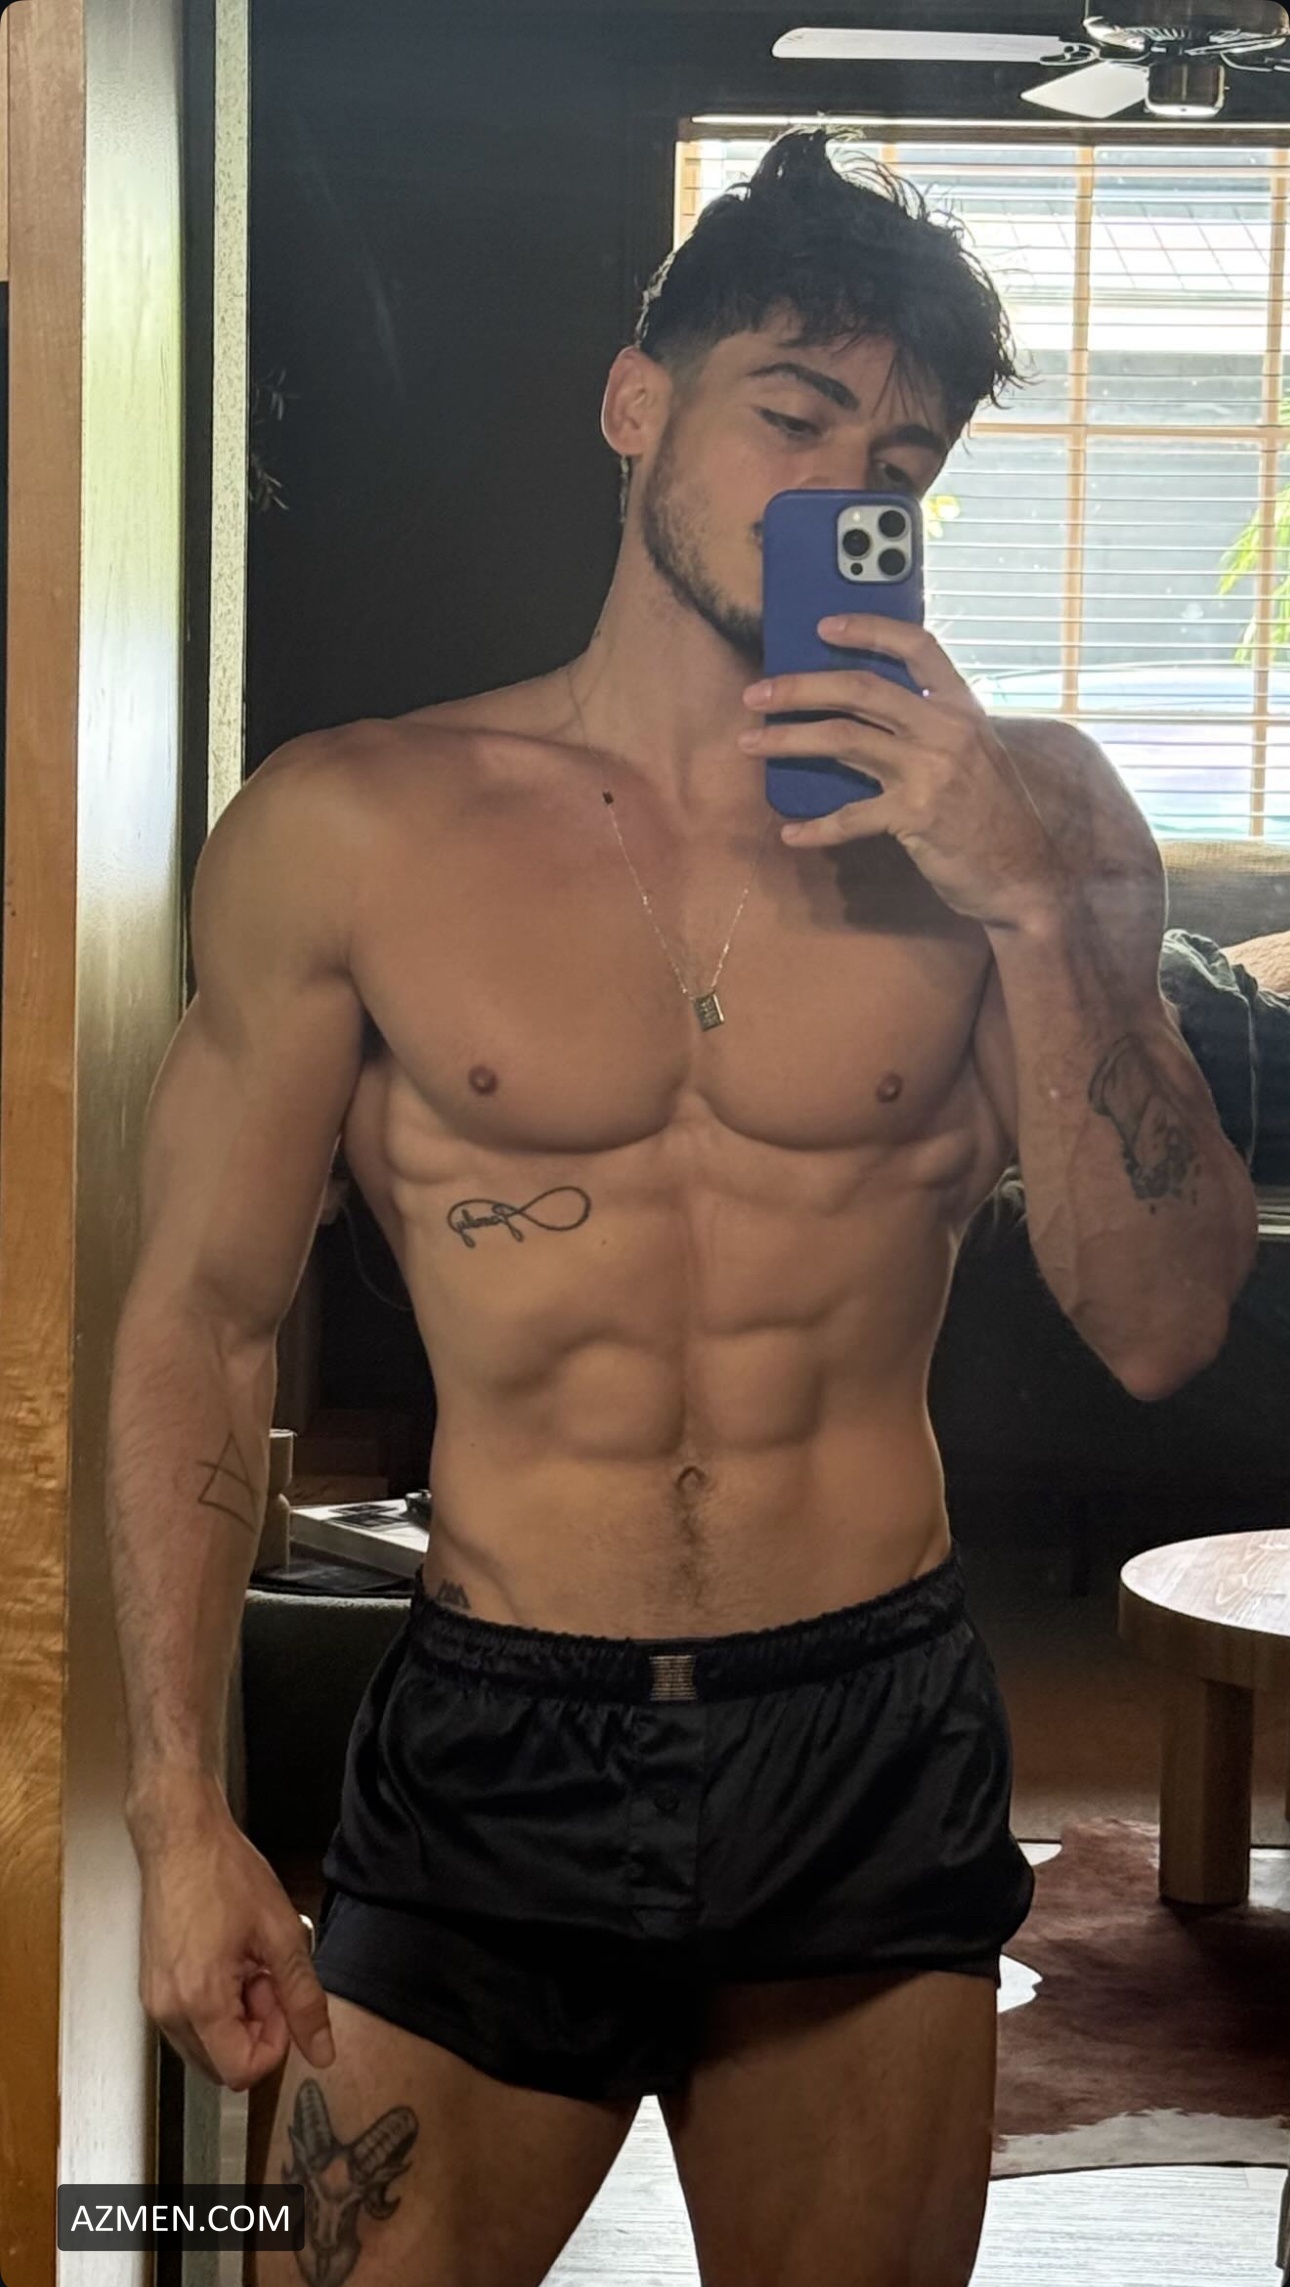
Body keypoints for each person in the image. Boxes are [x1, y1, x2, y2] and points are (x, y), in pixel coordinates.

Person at [107, 132, 1258, 2287]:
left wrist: (1035, 911)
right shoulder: (355, 824)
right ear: (637, 403)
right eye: (788, 416)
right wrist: (178, 1812)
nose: (837, 487)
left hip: (868, 1735)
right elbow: (203, 1314)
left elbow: (1166, 1322)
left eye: (896, 458)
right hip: (493, 1735)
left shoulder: (1039, 819)